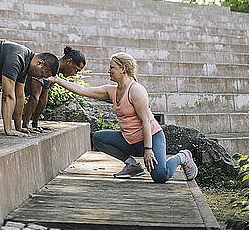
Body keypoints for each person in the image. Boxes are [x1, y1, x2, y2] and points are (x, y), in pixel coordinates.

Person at [48, 51, 198, 182]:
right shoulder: (111, 91)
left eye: (112, 67)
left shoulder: (136, 91)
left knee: (160, 176)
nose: (109, 71)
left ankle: (183, 157)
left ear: (123, 69)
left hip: (151, 137)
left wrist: (148, 149)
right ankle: (133, 166)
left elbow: (145, 121)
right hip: (129, 140)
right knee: (99, 137)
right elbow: (82, 90)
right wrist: (57, 80)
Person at [22, 46, 86, 132]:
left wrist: (35, 124)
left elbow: (43, 98)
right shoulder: (48, 66)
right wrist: (25, 125)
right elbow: (34, 97)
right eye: (76, 70)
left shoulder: (54, 75)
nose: (75, 74)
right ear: (69, 62)